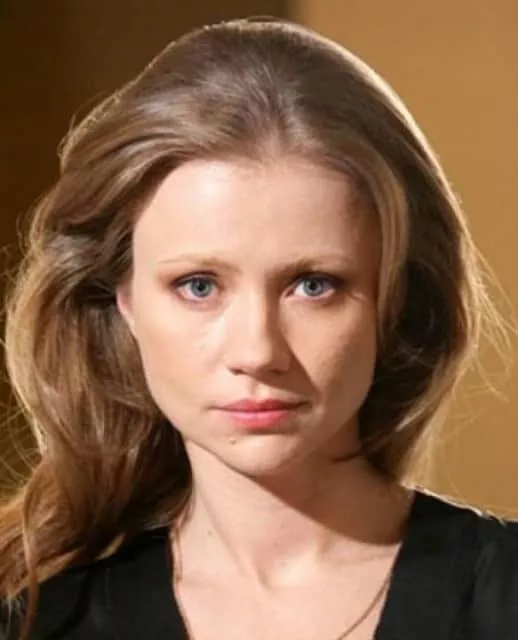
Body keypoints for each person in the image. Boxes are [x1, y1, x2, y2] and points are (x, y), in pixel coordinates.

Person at [0, 15, 517, 640]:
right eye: (199, 286)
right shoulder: (36, 622)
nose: (257, 350)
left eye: (313, 285)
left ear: (397, 299)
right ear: (123, 300)